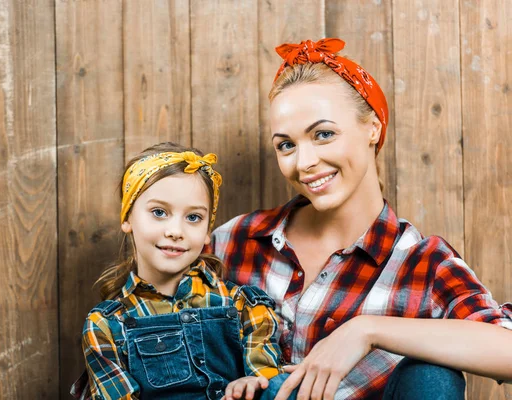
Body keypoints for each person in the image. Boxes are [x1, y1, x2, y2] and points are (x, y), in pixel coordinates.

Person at [209, 38, 512, 400]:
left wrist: (366, 331)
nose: (303, 162)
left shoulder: (421, 263)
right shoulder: (237, 240)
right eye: (286, 145)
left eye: (323, 134)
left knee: (433, 374)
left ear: (373, 128)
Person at [70, 142, 291, 400]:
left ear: (208, 230)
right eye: (159, 212)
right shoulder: (106, 325)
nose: (176, 231)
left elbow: (268, 382)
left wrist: (254, 383)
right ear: (128, 218)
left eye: (193, 218)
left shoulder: (245, 305)